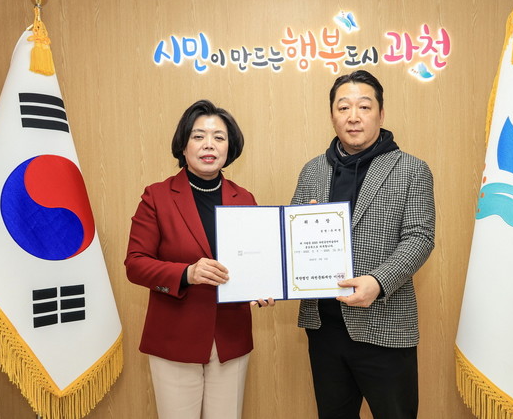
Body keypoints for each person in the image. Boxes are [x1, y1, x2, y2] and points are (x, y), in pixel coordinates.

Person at [291, 70, 435, 418]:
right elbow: (289, 239)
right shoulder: (312, 171)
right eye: (343, 107)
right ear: (332, 116)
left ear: (381, 114)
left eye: (364, 107)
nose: (353, 116)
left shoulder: (411, 169)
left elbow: (420, 237)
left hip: (385, 323)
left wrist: (378, 282)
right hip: (325, 328)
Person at [125, 99, 273, 419]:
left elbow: (257, 261)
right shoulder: (157, 196)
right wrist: (187, 274)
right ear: (184, 145)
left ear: (230, 147)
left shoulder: (245, 198)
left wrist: (265, 285)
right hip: (175, 337)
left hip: (230, 338)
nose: (209, 144)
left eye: (219, 137)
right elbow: (135, 264)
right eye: (198, 136)